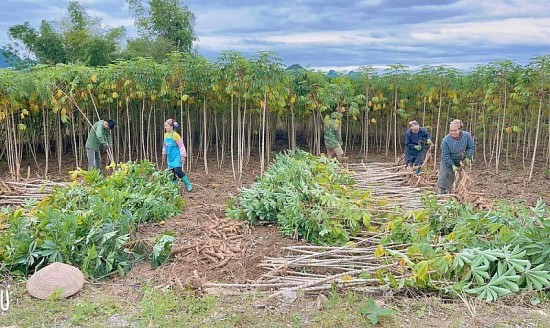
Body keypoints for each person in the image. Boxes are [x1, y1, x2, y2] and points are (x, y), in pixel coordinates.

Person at [437, 119, 475, 194]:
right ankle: (442, 193)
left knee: (461, 178)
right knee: (445, 176)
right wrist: (452, 165)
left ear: (460, 130)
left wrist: (468, 157)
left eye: (455, 130)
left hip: (461, 159)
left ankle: (459, 192)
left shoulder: (467, 136)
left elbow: (471, 147)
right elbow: (445, 155)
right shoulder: (446, 140)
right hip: (448, 160)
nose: (453, 133)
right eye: (451, 130)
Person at [162, 119, 192, 192]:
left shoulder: (176, 135)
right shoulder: (165, 135)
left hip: (176, 156)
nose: (166, 128)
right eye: (165, 126)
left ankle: (188, 183)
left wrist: (183, 156)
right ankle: (175, 188)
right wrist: (164, 154)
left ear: (172, 126)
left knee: (177, 170)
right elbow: (165, 146)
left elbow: (181, 146)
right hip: (170, 157)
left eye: (167, 126)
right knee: (171, 173)